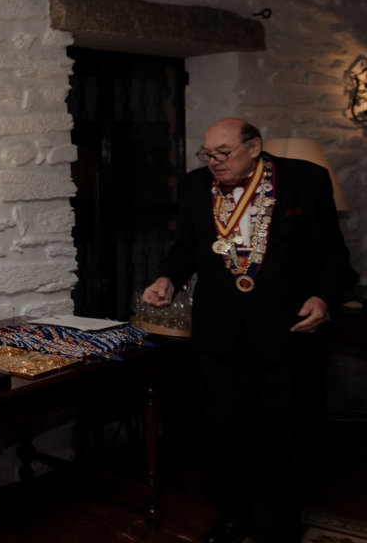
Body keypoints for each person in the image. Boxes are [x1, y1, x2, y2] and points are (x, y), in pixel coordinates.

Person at [143, 117, 357, 543]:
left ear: (254, 147)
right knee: (226, 431)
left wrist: (323, 298)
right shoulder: (195, 185)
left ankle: (279, 526)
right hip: (218, 334)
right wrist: (167, 278)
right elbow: (185, 249)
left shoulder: (304, 180)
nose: (214, 162)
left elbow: (334, 257)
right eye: (208, 154)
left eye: (224, 153)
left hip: (286, 331)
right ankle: (234, 516)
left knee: (285, 433)